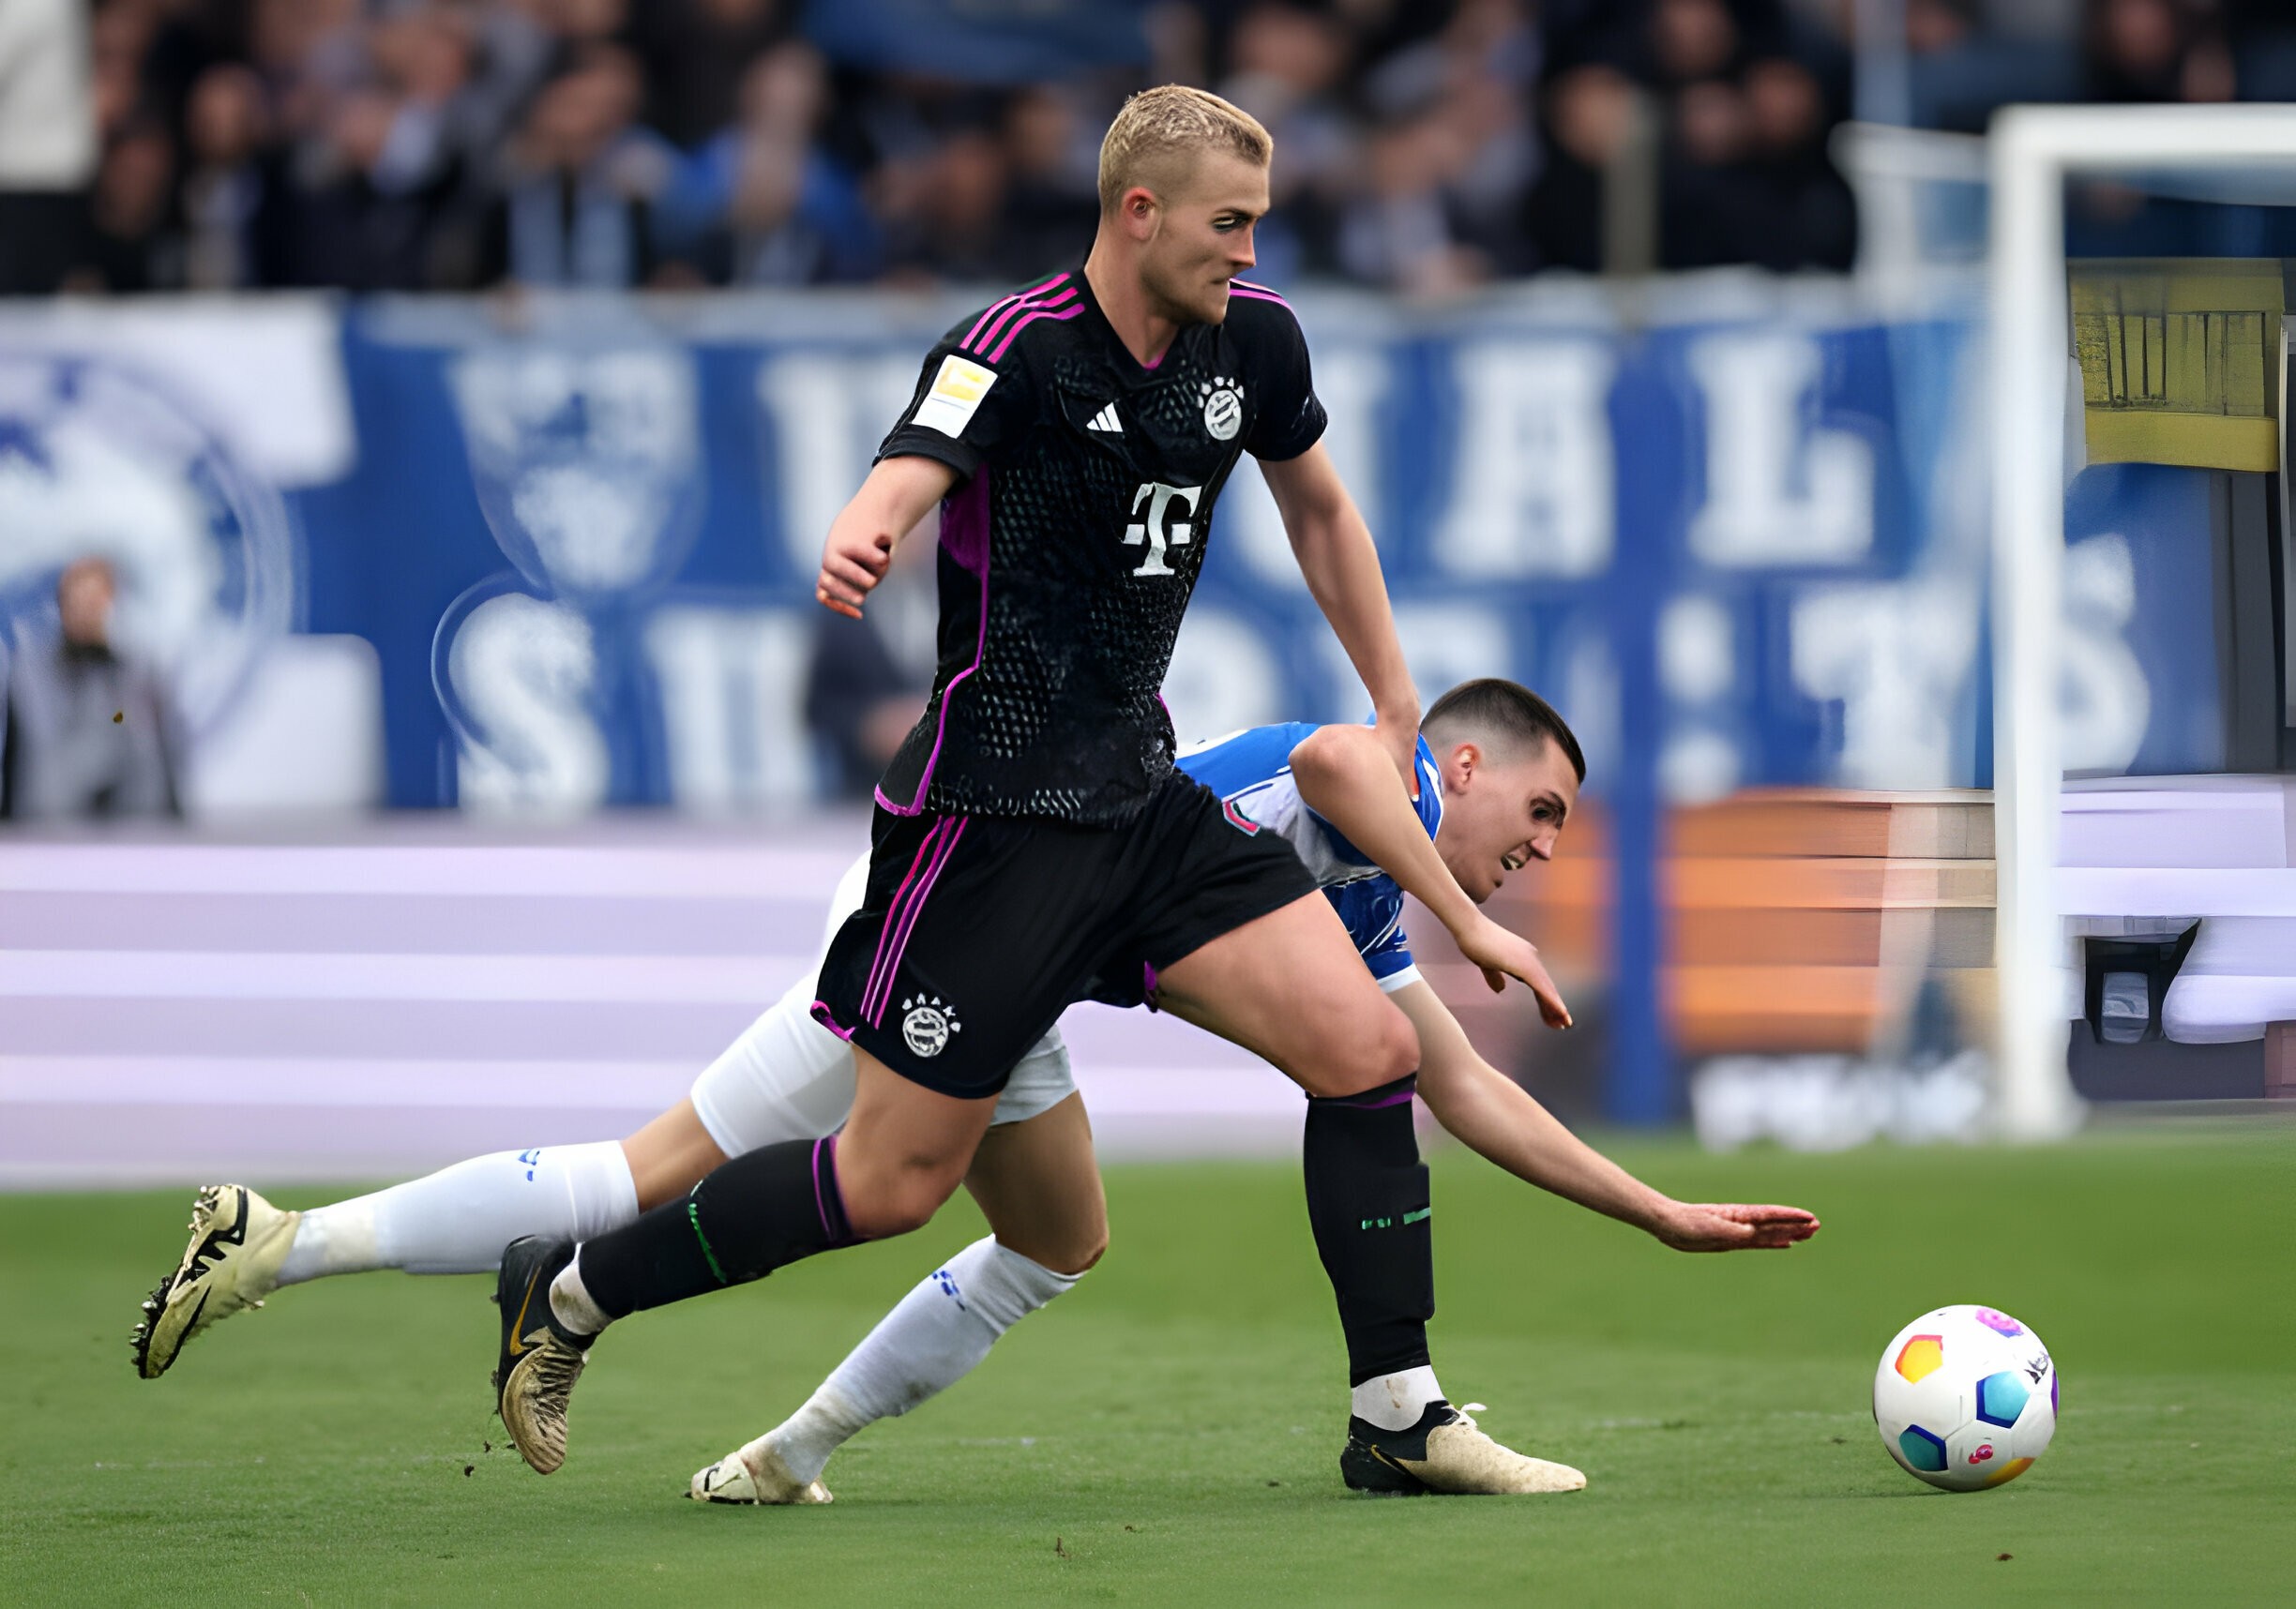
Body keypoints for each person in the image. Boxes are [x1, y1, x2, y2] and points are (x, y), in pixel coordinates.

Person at [482, 82, 1520, 1488]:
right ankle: (573, 1292)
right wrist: (865, 532)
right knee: (888, 1187)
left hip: (1141, 808)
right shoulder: (1014, 349)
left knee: (1369, 1053)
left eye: (1262, 225)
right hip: (986, 829)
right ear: (1137, 212)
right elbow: (909, 466)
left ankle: (1398, 1416)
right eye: (1229, 225)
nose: (1252, 255)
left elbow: (1321, 507)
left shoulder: (1254, 347)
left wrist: (1396, 691)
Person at [133, 683, 1817, 1495]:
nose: (1535, 852)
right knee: (783, 1182)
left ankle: (763, 1442)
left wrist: (1656, 1212)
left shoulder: (1368, 911)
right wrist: (1465, 915)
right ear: (1457, 762)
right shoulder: (1369, 769)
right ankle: (512, 1282)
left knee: (1049, 1235)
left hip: (1005, 964)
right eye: (1535, 814)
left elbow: (1451, 1087)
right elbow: (1320, 762)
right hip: (959, 918)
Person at [1, 556, 182, 821]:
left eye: (94, 600)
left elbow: (157, 755)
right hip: (46, 830)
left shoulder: (136, 675)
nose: (86, 610)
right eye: (77, 599)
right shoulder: (30, 676)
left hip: (131, 830)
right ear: (62, 604)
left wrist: (172, 817)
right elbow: (18, 759)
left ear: (110, 602)